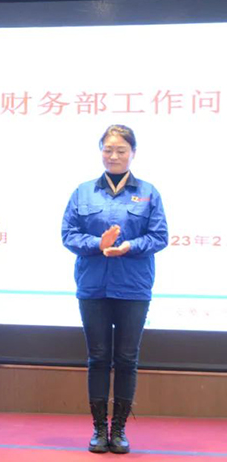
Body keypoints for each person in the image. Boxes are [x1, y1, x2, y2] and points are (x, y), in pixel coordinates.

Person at [62, 124, 168, 454]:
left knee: (126, 358)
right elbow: (68, 235)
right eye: (108, 149)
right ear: (101, 152)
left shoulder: (149, 192)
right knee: (97, 358)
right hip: (93, 287)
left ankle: (119, 430)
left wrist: (129, 246)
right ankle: (98, 429)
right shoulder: (83, 192)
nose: (114, 155)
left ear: (133, 153)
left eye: (121, 150)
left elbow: (159, 236)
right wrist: (98, 243)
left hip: (133, 287)